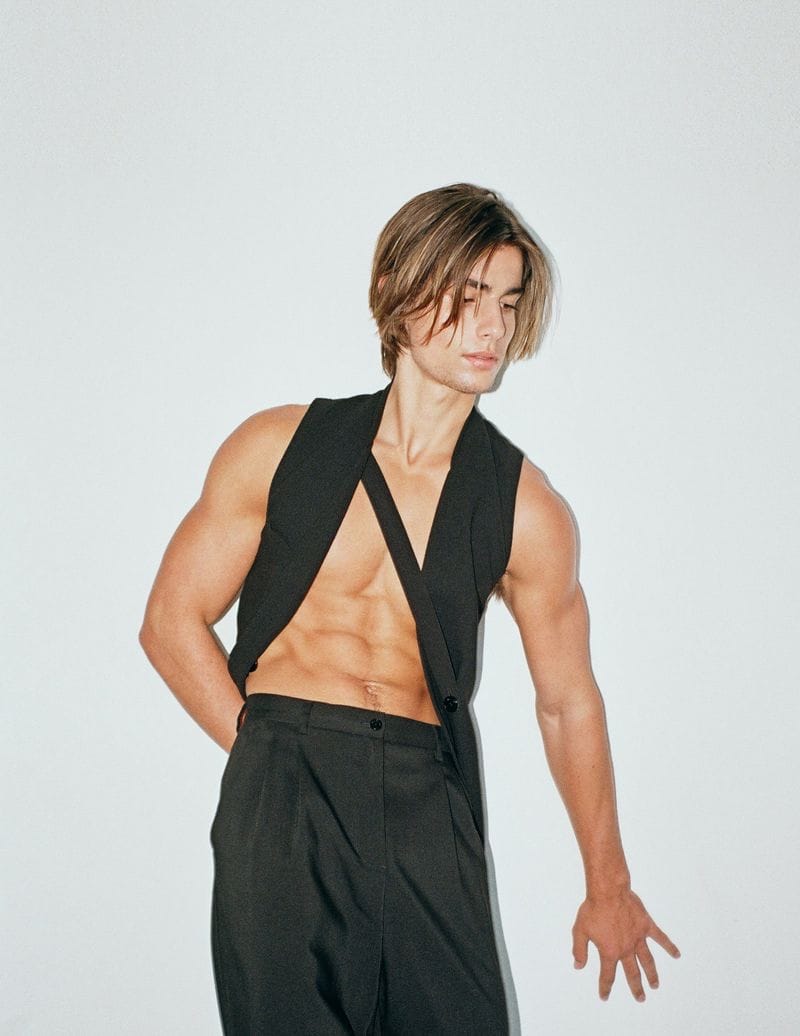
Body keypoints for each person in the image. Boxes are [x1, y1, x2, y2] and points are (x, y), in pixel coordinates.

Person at [140, 183, 679, 1034]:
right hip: (285, 783)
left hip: (426, 797)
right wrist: (264, 753)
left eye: (508, 302)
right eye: (469, 296)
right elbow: (171, 620)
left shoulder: (526, 509)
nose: (492, 327)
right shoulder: (277, 447)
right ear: (398, 289)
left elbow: (568, 701)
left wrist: (607, 883)